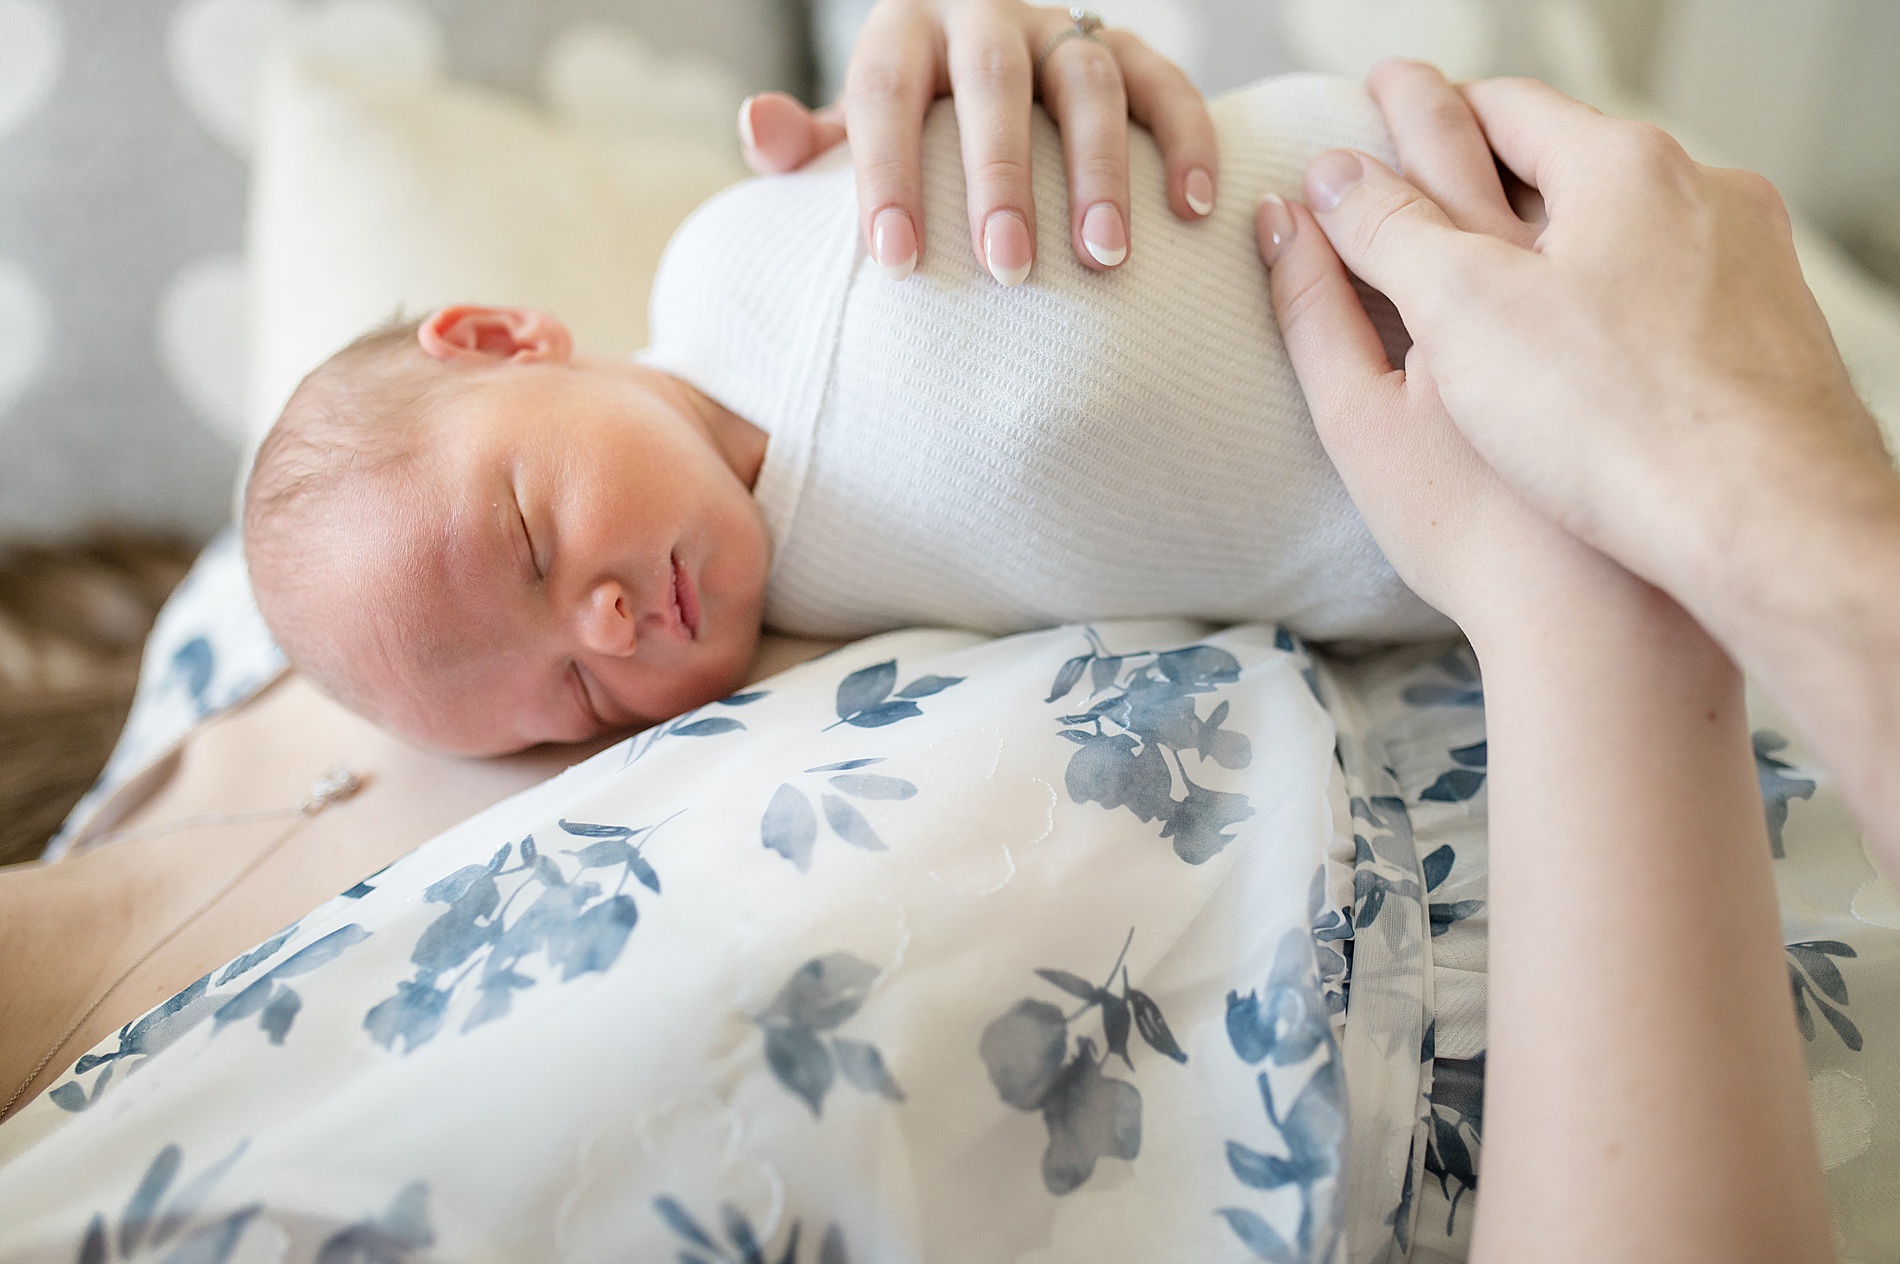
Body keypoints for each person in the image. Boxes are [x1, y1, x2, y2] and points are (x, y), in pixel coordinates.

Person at [242, 73, 1453, 759]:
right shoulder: (817, 655)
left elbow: (967, 128)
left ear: (504, 340)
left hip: (1400, 198)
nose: (608, 627)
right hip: (1437, 544)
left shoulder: (727, 263)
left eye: (528, 546)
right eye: (575, 695)